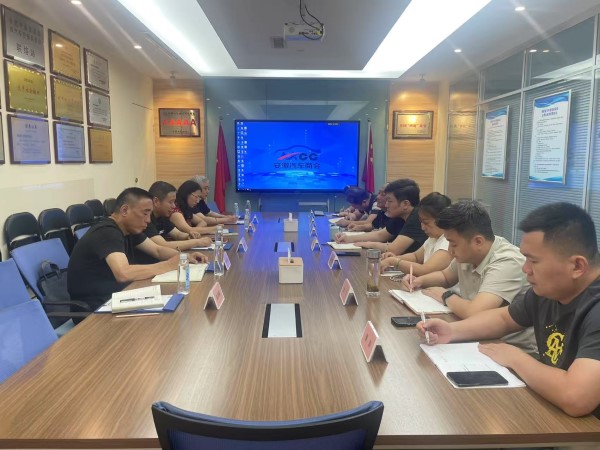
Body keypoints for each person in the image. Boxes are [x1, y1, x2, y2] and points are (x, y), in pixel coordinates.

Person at [418, 202, 600, 418]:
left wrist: (516, 357)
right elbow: (503, 319)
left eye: (534, 261)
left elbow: (576, 397)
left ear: (577, 266)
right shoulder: (549, 291)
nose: (525, 269)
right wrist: (451, 331)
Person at [401, 200, 535, 353]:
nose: (450, 251)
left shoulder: (507, 261)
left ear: (478, 241)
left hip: (513, 348)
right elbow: (445, 276)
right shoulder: (470, 251)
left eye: (453, 244)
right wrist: (418, 281)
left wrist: (446, 295)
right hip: (479, 337)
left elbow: (476, 312)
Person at [68, 187, 208, 309]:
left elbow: (157, 250)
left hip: (115, 298)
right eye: (145, 213)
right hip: (94, 308)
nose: (148, 220)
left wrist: (184, 257)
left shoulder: (128, 229)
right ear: (124, 210)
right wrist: (169, 265)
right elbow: (123, 273)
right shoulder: (107, 231)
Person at [335, 179, 427, 255]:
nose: (386, 205)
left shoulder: (417, 217)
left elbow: (394, 249)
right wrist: (348, 238)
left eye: (389, 201)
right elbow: (380, 235)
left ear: (405, 204)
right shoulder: (400, 216)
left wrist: (367, 244)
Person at [380, 192, 452, 276]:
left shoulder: (448, 242)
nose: (422, 227)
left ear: (442, 220)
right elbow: (416, 257)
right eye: (421, 222)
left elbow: (424, 270)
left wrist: (394, 262)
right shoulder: (433, 237)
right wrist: (395, 258)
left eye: (426, 223)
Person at [146, 181, 212, 250]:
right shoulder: (146, 219)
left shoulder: (162, 216)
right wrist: (197, 242)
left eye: (174, 202)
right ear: (156, 201)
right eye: (171, 202)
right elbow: (163, 245)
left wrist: (188, 236)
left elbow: (177, 234)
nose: (174, 206)